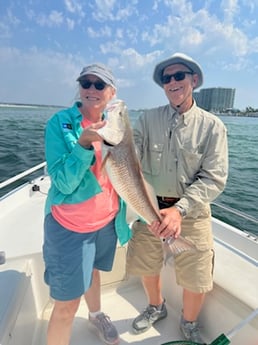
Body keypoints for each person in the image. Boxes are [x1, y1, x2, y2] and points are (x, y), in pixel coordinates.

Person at [126, 52, 228, 342]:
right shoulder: (147, 119)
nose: (172, 82)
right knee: (146, 263)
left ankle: (190, 323)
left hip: (192, 213)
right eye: (166, 78)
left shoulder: (213, 127)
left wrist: (179, 210)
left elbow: (214, 178)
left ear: (193, 80)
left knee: (197, 277)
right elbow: (132, 159)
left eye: (178, 76)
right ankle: (156, 307)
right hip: (150, 209)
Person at [43, 63, 131, 345]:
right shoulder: (61, 123)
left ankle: (96, 315)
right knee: (66, 305)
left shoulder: (115, 124)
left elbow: (127, 173)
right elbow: (63, 184)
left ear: (111, 92)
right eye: (86, 83)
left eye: (99, 85)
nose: (92, 89)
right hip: (70, 226)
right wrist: (82, 146)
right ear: (79, 87)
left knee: (92, 271)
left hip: (106, 222)